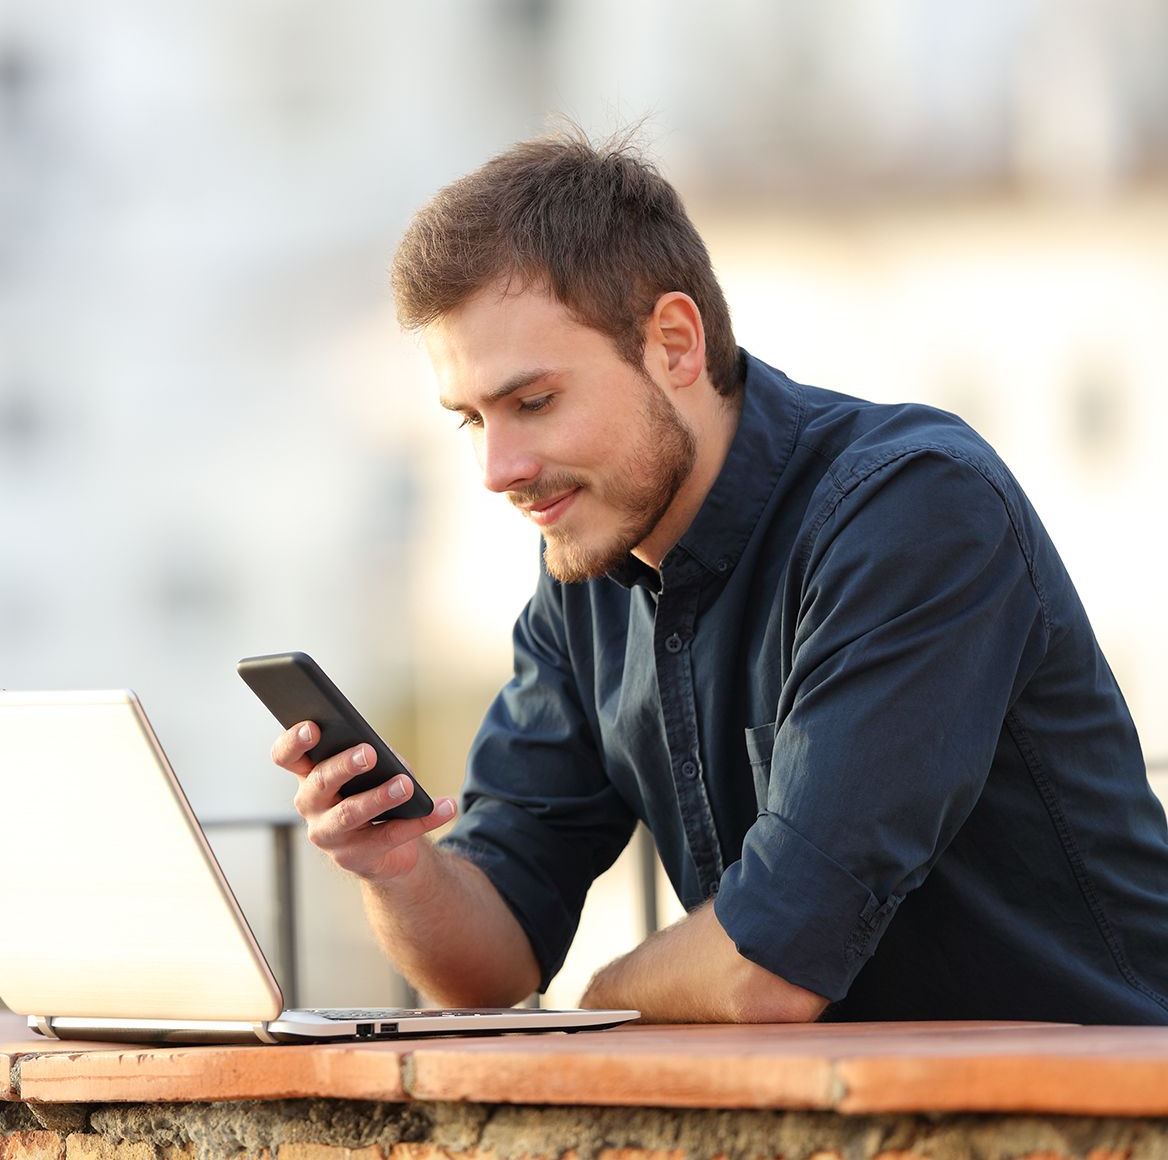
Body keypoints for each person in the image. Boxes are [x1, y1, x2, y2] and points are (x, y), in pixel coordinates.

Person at [271, 130, 1168, 1023]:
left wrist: (602, 1002)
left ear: (674, 342)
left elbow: (768, 964)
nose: (496, 469)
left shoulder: (916, 510)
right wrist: (398, 871)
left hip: (1104, 1106)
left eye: (533, 402)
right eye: (470, 419)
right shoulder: (584, 573)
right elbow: (493, 956)